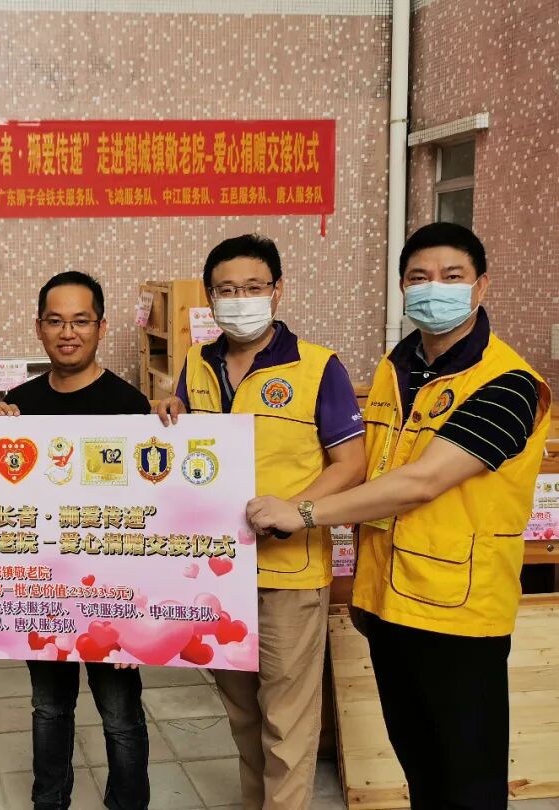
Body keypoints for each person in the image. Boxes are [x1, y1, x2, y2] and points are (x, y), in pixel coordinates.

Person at [247, 222, 551, 810]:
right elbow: (373, 463)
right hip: (389, 601)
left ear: (481, 286)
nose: (434, 288)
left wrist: (303, 511)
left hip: (459, 611)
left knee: (469, 779)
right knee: (420, 763)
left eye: (451, 276)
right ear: (403, 287)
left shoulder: (508, 384)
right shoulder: (397, 367)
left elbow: (421, 481)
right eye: (419, 277)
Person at [157, 234, 366, 810]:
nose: (240, 299)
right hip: (217, 572)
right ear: (210, 297)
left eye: (253, 287)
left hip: (288, 572)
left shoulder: (318, 367)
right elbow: (191, 448)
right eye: (227, 290)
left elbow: (351, 463)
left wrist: (297, 509)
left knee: (286, 718)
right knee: (242, 712)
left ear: (277, 291)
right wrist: (169, 412)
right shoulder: (198, 363)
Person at [0, 271, 152, 810]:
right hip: (44, 593)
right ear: (38, 328)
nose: (68, 333)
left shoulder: (130, 405)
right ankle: (49, 801)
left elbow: (152, 519)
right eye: (56, 321)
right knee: (49, 708)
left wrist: (136, 615)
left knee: (120, 715)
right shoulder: (18, 406)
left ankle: (127, 803)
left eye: (81, 321)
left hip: (112, 595)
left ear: (101, 327)